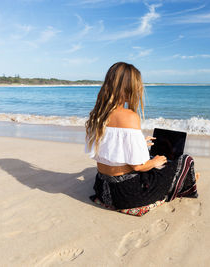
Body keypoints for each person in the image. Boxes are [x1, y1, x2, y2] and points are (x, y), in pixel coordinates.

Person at [85, 62, 199, 215]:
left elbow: (109, 146)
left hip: (102, 188)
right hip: (127, 195)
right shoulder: (130, 117)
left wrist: (139, 143)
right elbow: (138, 167)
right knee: (184, 160)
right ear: (129, 88)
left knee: (155, 164)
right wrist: (153, 162)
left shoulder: (97, 114)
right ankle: (186, 182)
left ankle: (183, 178)